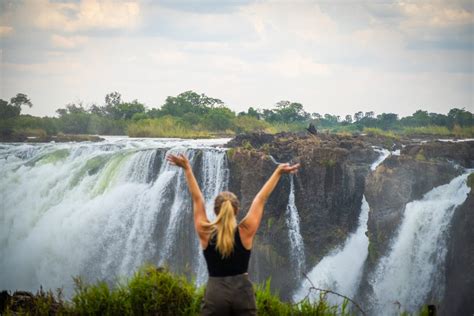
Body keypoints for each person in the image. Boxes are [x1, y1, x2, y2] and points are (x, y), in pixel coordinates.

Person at [167, 153, 300, 316]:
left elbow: (197, 199)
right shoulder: (245, 231)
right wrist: (278, 172)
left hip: (215, 294)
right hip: (242, 293)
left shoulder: (205, 231)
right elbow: (260, 199)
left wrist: (187, 168)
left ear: (215, 211)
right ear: (236, 211)